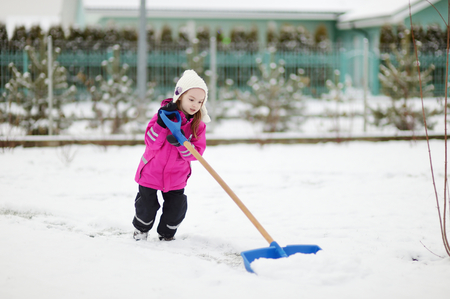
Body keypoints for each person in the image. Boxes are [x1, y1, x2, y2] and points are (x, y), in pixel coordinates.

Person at [132, 69, 210, 241]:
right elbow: (150, 142)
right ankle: (141, 231)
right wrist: (160, 125)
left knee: (176, 209)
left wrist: (183, 144)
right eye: (191, 99)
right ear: (179, 95)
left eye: (200, 101)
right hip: (151, 170)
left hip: (176, 175)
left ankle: (167, 236)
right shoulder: (163, 115)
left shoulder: (198, 126)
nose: (195, 105)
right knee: (146, 207)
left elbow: (196, 154)